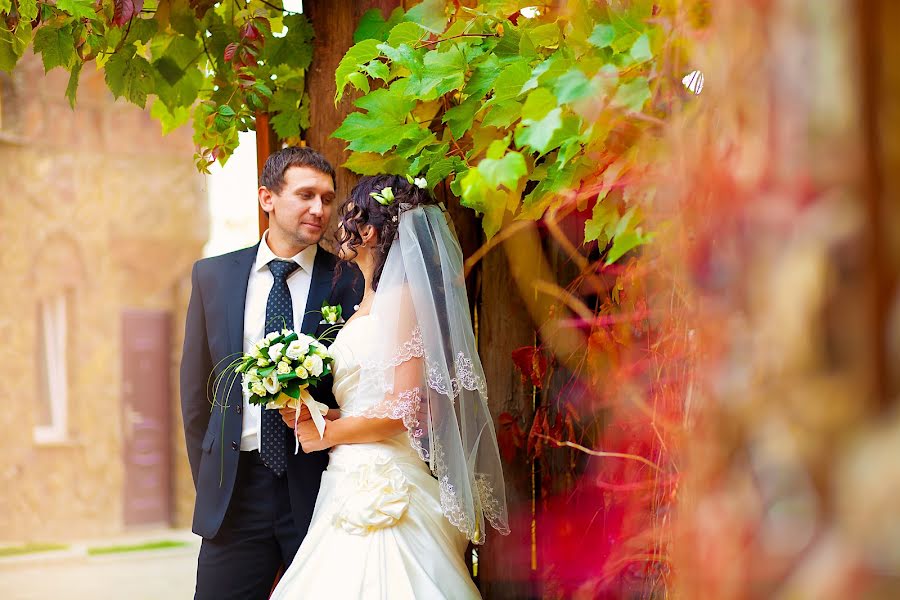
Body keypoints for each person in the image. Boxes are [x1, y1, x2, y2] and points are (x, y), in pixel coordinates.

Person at [270, 175, 510, 599]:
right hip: (351, 474)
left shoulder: (399, 297)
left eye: (348, 216)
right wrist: (328, 416)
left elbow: (404, 410)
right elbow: (378, 394)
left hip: (385, 483)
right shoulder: (370, 299)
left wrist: (324, 435)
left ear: (371, 230)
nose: (339, 226)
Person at [180, 147, 363, 600]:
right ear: (267, 198)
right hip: (237, 493)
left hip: (322, 485)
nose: (319, 210)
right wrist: (213, 479)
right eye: (305, 195)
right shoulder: (213, 276)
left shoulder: (350, 281)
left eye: (326, 198)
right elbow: (195, 393)